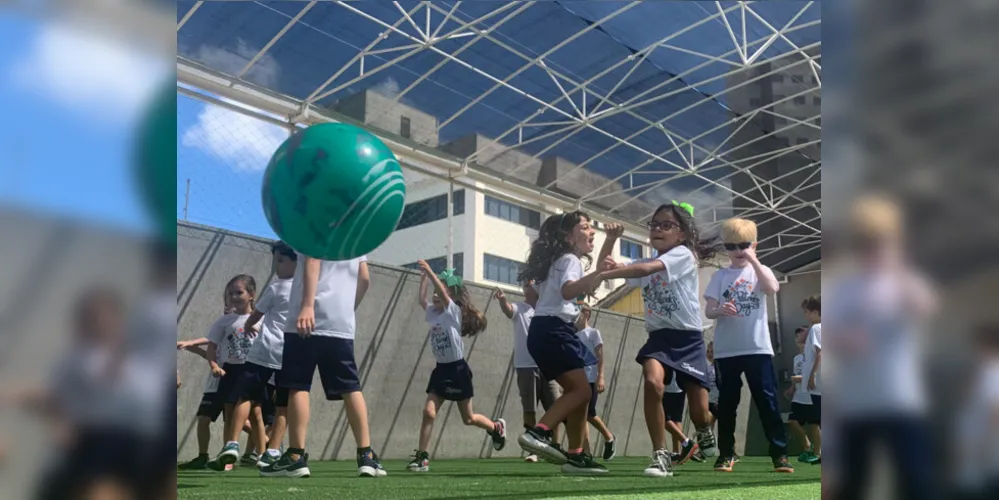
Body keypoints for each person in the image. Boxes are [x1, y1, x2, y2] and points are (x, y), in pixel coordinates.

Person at [825, 195, 939, 500]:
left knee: (915, 482)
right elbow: (832, 336)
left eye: (880, 241)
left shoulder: (908, 281)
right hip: (856, 404)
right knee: (853, 484)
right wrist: (846, 340)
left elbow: (925, 306)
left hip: (901, 400)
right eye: (865, 242)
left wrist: (898, 267)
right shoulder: (844, 287)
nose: (872, 249)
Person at [597, 201, 718, 478]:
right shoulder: (644, 261)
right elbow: (607, 266)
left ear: (682, 234)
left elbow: (645, 270)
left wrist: (606, 272)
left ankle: (703, 431)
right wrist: (611, 240)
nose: (657, 230)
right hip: (659, 337)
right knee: (652, 383)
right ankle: (660, 455)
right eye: (654, 225)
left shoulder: (683, 255)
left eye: (667, 225)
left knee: (700, 412)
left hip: (688, 338)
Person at [259, 252, 385, 478]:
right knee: (350, 387)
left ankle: (296, 456)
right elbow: (364, 278)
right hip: (340, 323)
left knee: (298, 385)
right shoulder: (356, 236)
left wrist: (308, 306)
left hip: (305, 320)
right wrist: (346, 309)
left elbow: (312, 260)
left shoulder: (313, 224)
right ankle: (366, 456)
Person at [515, 211, 615, 475]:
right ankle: (539, 432)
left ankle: (576, 456)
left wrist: (611, 242)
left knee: (579, 394)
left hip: (544, 330)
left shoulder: (556, 262)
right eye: (585, 226)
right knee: (582, 392)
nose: (591, 230)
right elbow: (570, 290)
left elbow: (533, 295)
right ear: (568, 236)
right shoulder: (570, 259)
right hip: (555, 330)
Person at [704, 217, 793, 473]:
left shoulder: (760, 270)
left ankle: (780, 455)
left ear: (755, 244)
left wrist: (754, 259)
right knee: (728, 404)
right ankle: (726, 454)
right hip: (727, 350)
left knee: (767, 401)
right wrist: (720, 309)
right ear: (725, 248)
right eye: (731, 246)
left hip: (757, 348)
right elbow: (709, 311)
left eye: (743, 245)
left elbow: (772, 287)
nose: (738, 251)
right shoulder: (720, 275)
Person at [407, 262, 505, 472]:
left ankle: (495, 427)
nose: (435, 296)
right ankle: (422, 457)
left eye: (439, 292)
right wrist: (423, 278)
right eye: (434, 293)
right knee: (428, 412)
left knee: (468, 419)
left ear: (450, 295)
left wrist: (432, 273)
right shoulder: (433, 313)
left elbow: (443, 293)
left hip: (458, 370)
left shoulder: (452, 312)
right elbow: (421, 300)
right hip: (441, 370)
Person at [177, 274, 261, 471]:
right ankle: (223, 456)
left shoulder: (259, 319)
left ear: (251, 295)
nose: (233, 297)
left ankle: (267, 449)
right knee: (224, 416)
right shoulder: (225, 323)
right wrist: (206, 358)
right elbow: (211, 344)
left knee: (254, 415)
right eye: (230, 294)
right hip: (224, 375)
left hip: (251, 371)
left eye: (238, 292)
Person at [231, 241, 297, 469]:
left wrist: (249, 324)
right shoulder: (306, 290)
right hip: (290, 354)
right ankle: (272, 451)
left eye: (280, 260)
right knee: (283, 406)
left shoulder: (277, 287)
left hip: (265, 352)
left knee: (245, 397)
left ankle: (232, 443)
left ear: (296, 261)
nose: (276, 265)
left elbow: (256, 314)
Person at [494, 282, 562, 463]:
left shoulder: (546, 309)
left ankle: (556, 446)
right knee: (529, 408)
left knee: (556, 406)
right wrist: (502, 301)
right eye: (525, 283)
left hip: (548, 365)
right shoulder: (519, 307)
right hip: (525, 366)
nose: (527, 285)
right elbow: (509, 310)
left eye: (532, 282)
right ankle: (533, 450)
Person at [575, 305, 616, 460]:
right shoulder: (573, 335)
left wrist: (601, 376)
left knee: (590, 413)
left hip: (591, 378)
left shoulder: (593, 333)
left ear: (586, 314)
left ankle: (609, 437)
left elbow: (600, 356)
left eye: (578, 311)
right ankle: (586, 451)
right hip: (578, 379)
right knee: (582, 415)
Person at [786, 326, 815, 463]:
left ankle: (816, 451)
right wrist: (792, 387)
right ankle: (807, 446)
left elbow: (817, 376)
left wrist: (801, 379)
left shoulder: (814, 356)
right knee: (792, 421)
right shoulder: (796, 358)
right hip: (798, 396)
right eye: (797, 336)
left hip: (810, 396)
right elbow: (795, 375)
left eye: (802, 336)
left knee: (814, 424)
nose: (800, 339)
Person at [801, 295, 822, 465]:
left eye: (807, 312)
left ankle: (819, 452)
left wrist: (812, 375)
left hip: (820, 383)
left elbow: (820, 353)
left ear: (816, 312)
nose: (805, 315)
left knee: (816, 421)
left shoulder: (817, 328)